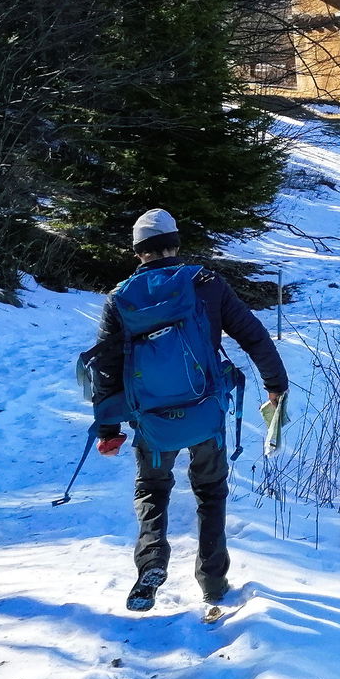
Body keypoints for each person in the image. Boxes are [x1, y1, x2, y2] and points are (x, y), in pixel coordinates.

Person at [87, 208, 288, 612]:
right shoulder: (206, 283)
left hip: (152, 420)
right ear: (175, 242)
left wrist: (108, 427)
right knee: (210, 492)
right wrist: (275, 385)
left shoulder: (120, 297)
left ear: (137, 249)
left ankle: (150, 566)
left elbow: (107, 368)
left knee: (152, 489)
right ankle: (213, 582)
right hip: (205, 411)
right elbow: (252, 335)